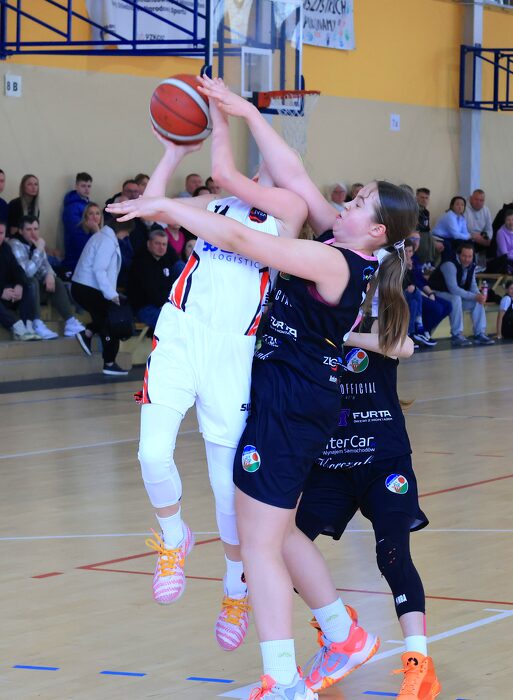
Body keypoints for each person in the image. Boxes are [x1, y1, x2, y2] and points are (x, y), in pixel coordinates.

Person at [108, 75, 418, 700]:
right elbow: (292, 171)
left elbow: (241, 239)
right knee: (280, 537)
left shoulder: (335, 259)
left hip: (289, 403)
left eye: (359, 202)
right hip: (290, 397)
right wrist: (241, 111)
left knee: (259, 547)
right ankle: (343, 636)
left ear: (377, 231)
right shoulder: (342, 240)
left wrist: (164, 207)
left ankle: (283, 679)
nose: (344, 202)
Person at [108, 97, 306, 657]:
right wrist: (172, 152)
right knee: (151, 454)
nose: (266, 165)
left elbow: (242, 194)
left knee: (226, 488)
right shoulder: (218, 204)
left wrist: (228, 118)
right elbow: (151, 208)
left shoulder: (289, 215)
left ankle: (235, 586)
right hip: (180, 334)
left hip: (234, 354)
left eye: (277, 160)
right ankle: (174, 538)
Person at [295, 311, 441, 700]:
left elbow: (404, 346)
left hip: (384, 462)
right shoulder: (304, 315)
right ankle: (340, 627)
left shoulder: (377, 317)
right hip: (330, 465)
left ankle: (419, 666)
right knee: (281, 551)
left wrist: (341, 333)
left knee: (392, 554)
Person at [71, 218, 133, 375]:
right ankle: (109, 363)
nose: (127, 235)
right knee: (112, 322)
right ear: (122, 228)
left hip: (86, 287)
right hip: (88, 288)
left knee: (105, 320)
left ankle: (88, 333)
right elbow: (99, 270)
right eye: (127, 232)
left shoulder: (103, 237)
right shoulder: (107, 241)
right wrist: (112, 295)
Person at [9, 216, 85, 340]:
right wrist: (39, 250)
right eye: (28, 229)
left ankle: (70, 323)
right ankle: (36, 323)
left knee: (56, 281)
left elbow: (46, 266)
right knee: (32, 281)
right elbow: (26, 273)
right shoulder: (15, 244)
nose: (33, 233)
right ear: (21, 231)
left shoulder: (36, 243)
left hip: (35, 291)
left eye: (35, 229)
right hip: (18, 293)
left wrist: (49, 274)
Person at [428, 241, 494, 346]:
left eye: (470, 256)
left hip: (454, 296)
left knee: (477, 301)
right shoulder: (449, 264)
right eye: (464, 256)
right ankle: (456, 335)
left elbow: (473, 286)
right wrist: (475, 296)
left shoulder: (471, 265)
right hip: (436, 293)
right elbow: (453, 289)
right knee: (456, 298)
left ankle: (480, 333)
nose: (467, 259)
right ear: (458, 254)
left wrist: (479, 296)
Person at [127, 227, 181, 330]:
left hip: (163, 305)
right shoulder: (140, 263)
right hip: (145, 307)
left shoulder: (165, 260)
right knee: (172, 324)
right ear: (148, 244)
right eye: (157, 243)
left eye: (164, 244)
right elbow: (152, 292)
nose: (161, 247)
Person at [407, 232, 452, 344]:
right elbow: (413, 282)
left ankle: (426, 330)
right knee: (437, 308)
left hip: (420, 291)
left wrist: (430, 293)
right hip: (412, 292)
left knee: (448, 306)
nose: (416, 242)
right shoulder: (404, 258)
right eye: (413, 239)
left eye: (418, 239)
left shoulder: (415, 258)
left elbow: (421, 280)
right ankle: (420, 332)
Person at [0, 219, 40, 341]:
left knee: (28, 285)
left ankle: (28, 325)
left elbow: (18, 270)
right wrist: (1, 292)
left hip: (9, 294)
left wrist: (19, 285)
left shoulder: (6, 248)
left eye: (1, 233)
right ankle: (17, 327)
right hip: (2, 294)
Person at [61, 201, 102, 276]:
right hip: (73, 270)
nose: (95, 217)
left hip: (88, 271)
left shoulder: (102, 232)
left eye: (97, 213)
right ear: (85, 217)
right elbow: (89, 255)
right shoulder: (78, 232)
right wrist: (97, 233)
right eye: (91, 214)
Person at [62, 172, 93, 268]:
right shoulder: (72, 207)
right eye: (83, 186)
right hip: (76, 254)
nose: (86, 189)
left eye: (89, 186)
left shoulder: (89, 205)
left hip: (88, 250)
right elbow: (75, 231)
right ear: (76, 186)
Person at [463, 189, 493, 271]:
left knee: (494, 244)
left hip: (481, 237)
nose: (478, 202)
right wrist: (474, 237)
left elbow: (489, 230)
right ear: (471, 198)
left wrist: (486, 238)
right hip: (468, 238)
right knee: (469, 244)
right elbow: (463, 230)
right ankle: (471, 269)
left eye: (481, 200)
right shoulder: (464, 209)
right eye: (476, 199)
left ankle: (489, 270)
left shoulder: (486, 210)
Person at [415, 187, 443, 266]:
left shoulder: (426, 212)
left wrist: (434, 242)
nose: (424, 200)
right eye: (422, 197)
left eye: (426, 198)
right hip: (416, 237)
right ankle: (425, 265)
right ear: (416, 198)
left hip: (425, 237)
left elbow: (427, 229)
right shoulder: (413, 210)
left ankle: (430, 266)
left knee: (444, 246)